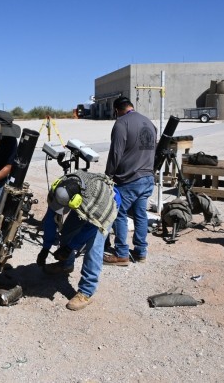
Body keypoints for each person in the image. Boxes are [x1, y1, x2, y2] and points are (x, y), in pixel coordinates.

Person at [36, 170, 120, 311]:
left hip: (106, 205)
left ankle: (86, 292)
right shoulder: (58, 188)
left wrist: (70, 248)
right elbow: (51, 220)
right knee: (67, 232)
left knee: (93, 248)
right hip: (83, 201)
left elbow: (89, 229)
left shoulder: (96, 203)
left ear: (76, 202)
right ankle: (66, 265)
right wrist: (45, 247)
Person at [104, 96, 156, 266]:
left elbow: (115, 153)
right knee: (140, 215)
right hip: (147, 177)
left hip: (130, 179)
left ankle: (121, 254)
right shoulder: (148, 122)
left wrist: (108, 174)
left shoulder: (121, 123)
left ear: (117, 110)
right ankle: (141, 253)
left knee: (119, 214)